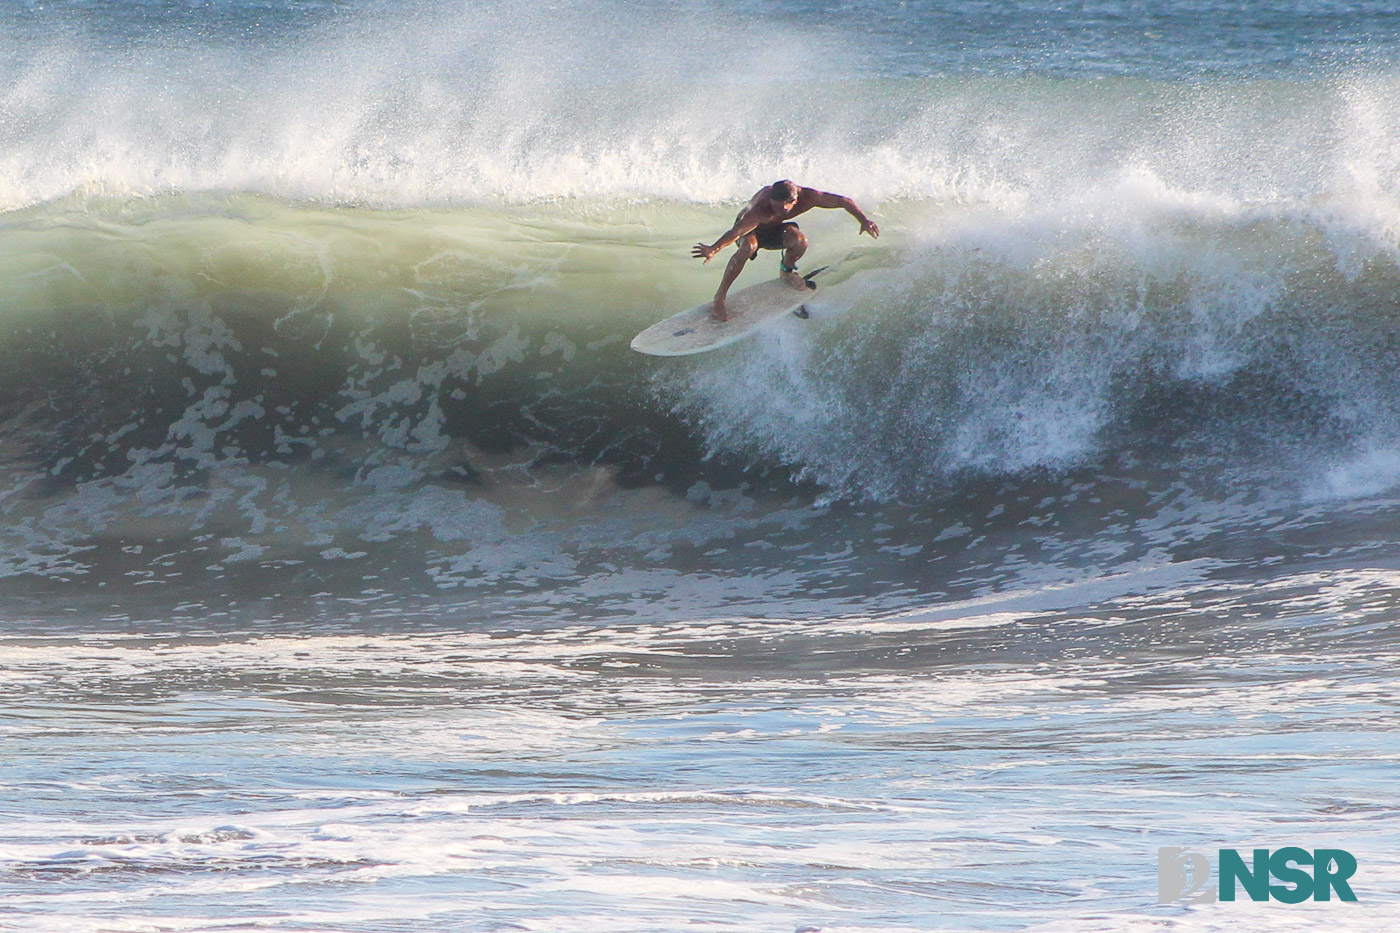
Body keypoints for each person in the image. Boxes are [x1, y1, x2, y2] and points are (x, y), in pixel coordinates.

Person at [691, 180, 879, 321]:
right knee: (748, 247)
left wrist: (863, 219)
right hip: (750, 231)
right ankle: (719, 299)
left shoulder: (809, 197)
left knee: (800, 241)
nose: (778, 209)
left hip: (774, 231)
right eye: (774, 205)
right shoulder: (760, 209)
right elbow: (736, 231)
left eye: (783, 206)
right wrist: (713, 249)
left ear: (794, 199)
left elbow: (844, 201)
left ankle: (787, 272)